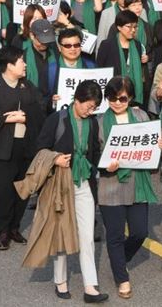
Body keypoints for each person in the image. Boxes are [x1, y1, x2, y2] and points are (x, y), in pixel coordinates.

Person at [36, 80, 109, 303]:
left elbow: (95, 153)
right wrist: (55, 158)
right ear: (76, 100)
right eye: (88, 104)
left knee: (87, 237)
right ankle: (60, 280)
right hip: (60, 185)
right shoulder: (57, 119)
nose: (91, 109)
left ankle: (90, 286)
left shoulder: (93, 123)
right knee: (62, 235)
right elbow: (39, 148)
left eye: (95, 106)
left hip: (84, 184)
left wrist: (104, 167)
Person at [97, 76, 162, 299]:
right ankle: (121, 277)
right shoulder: (98, 121)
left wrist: (158, 146)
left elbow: (151, 145)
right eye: (111, 98)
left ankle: (119, 260)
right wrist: (104, 163)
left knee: (139, 232)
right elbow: (93, 153)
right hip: (110, 183)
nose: (116, 102)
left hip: (138, 182)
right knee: (115, 234)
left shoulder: (141, 116)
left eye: (122, 98)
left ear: (132, 98)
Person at [0, 46, 46, 250]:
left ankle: (15, 227)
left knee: (22, 191)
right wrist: (7, 118)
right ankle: (3, 231)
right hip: (0, 150)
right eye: (21, 62)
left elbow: (39, 107)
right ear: (9, 66)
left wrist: (24, 115)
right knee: (3, 193)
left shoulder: (27, 85)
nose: (25, 65)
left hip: (24, 147)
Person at [97, 10, 146, 106]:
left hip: (133, 96)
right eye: (129, 27)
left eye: (135, 27)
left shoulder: (137, 45)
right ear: (119, 27)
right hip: (113, 96)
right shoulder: (107, 45)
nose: (133, 30)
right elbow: (99, 69)